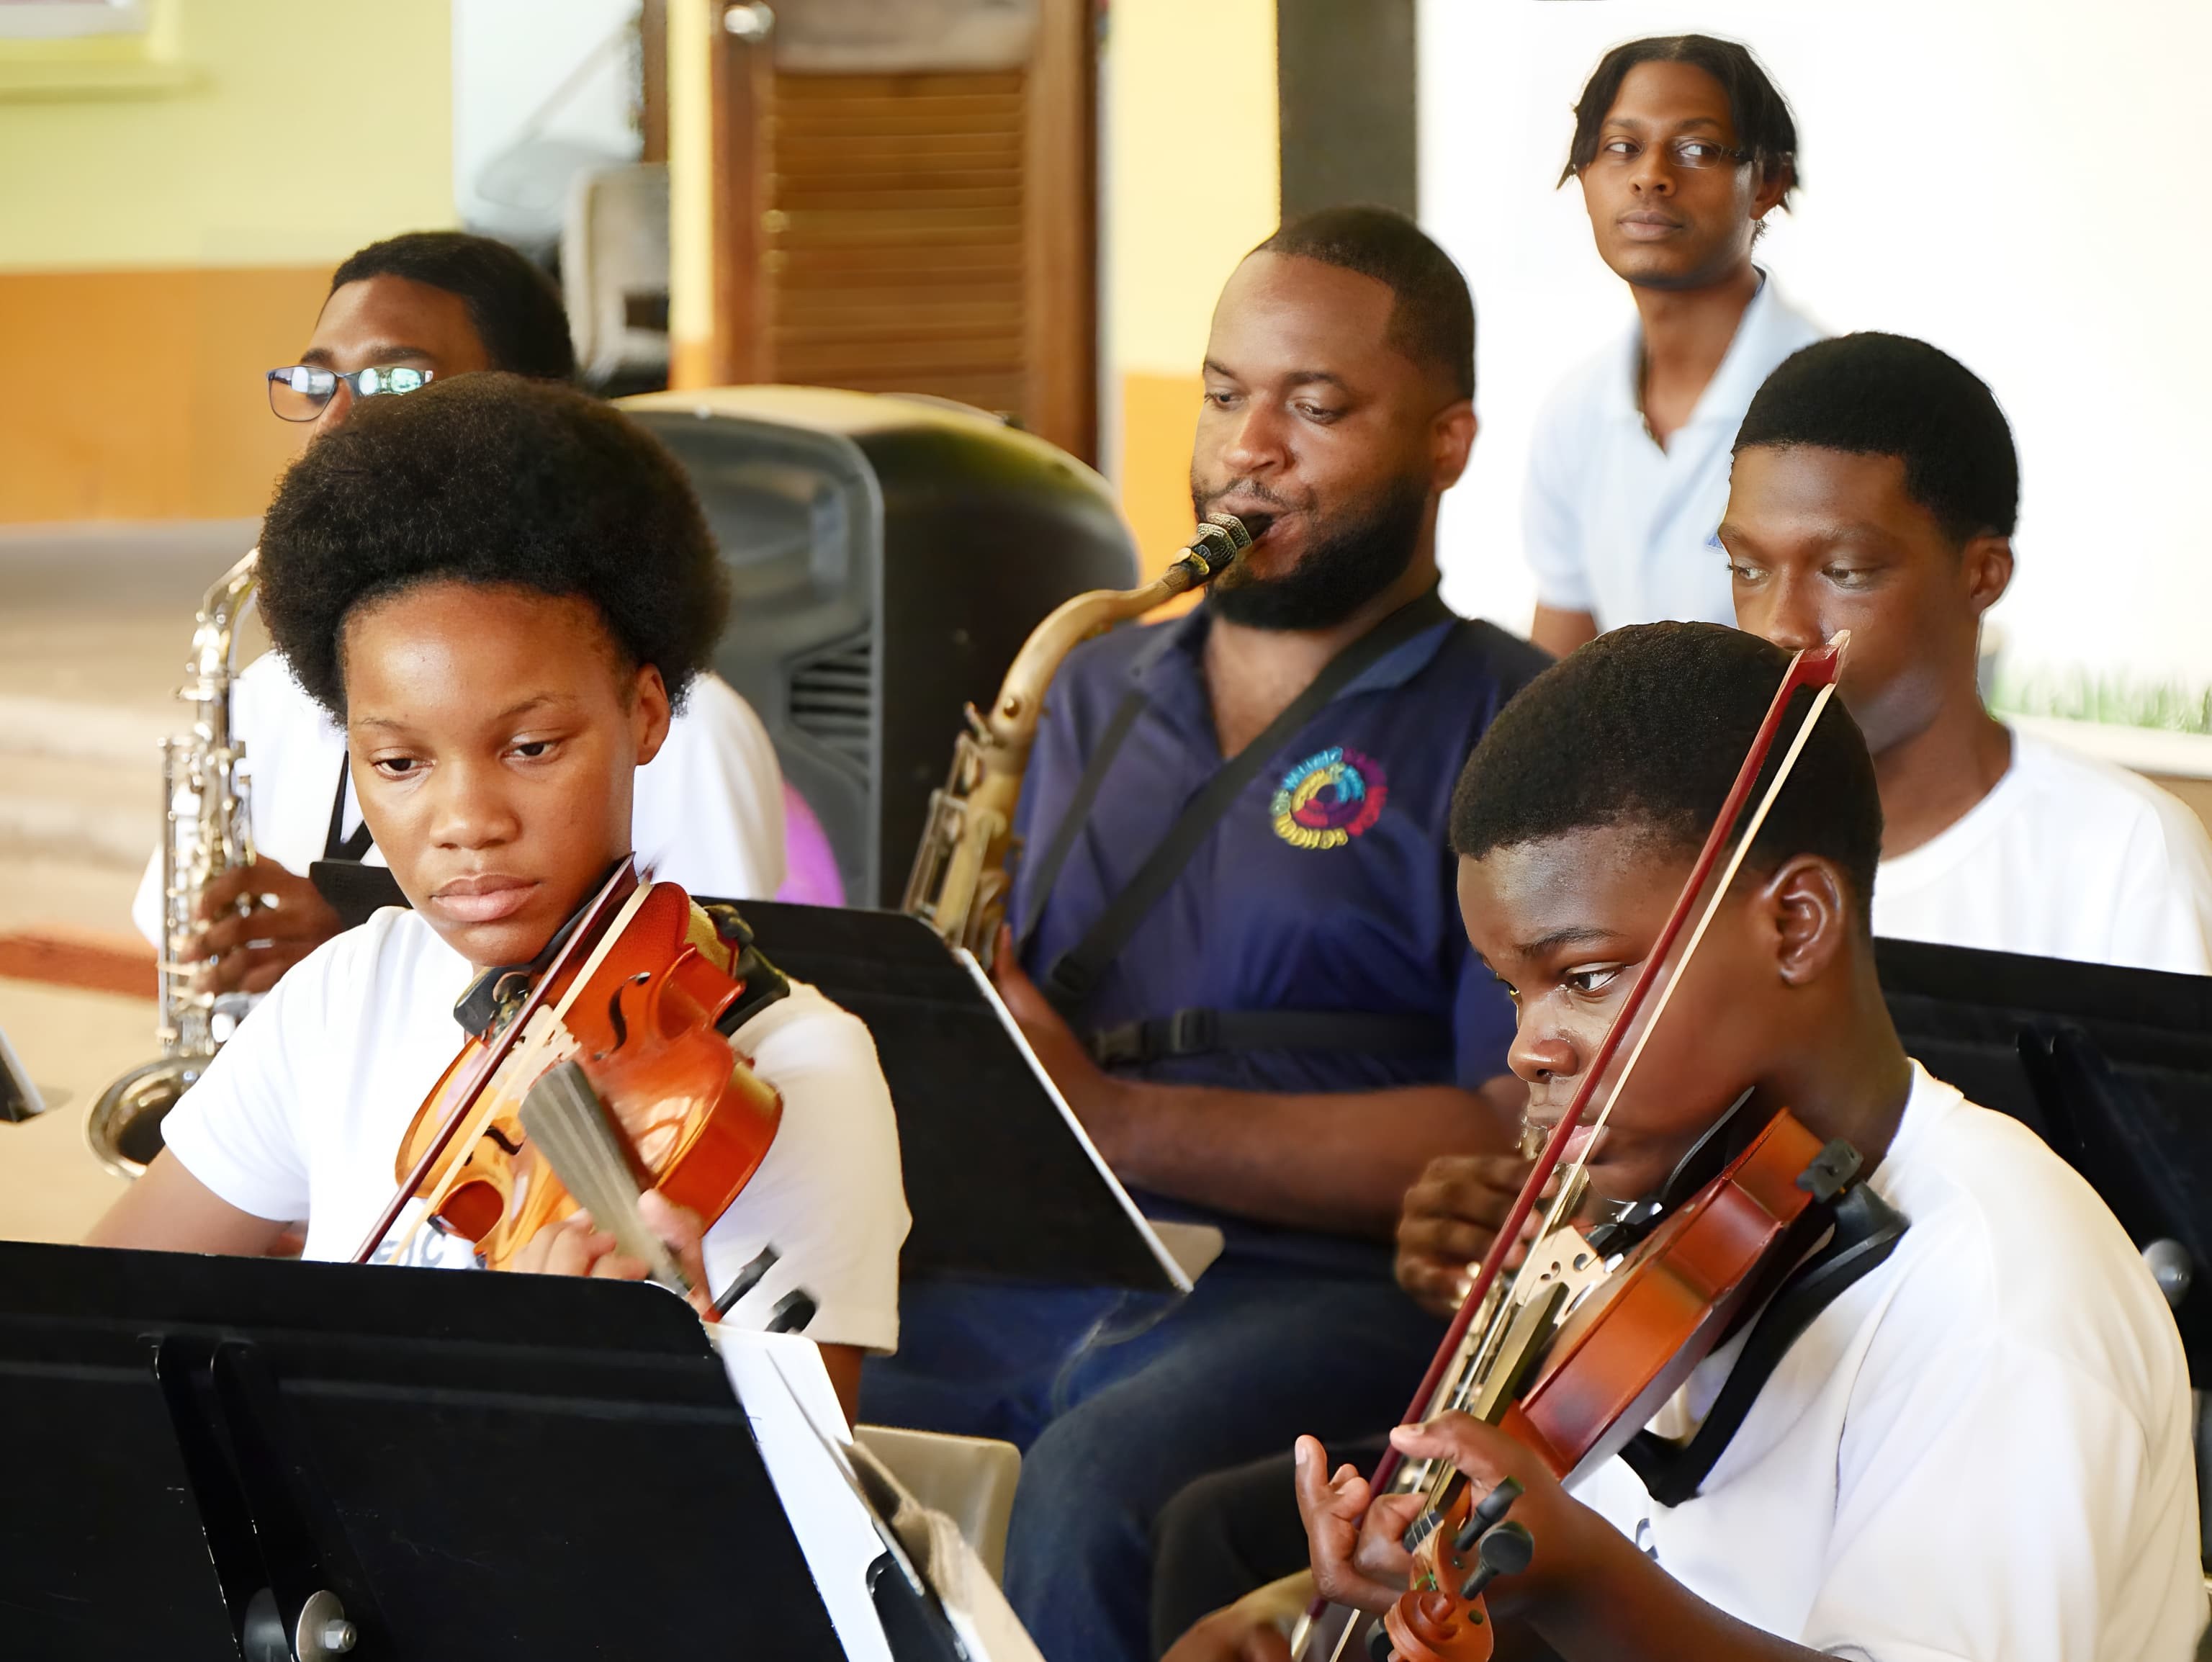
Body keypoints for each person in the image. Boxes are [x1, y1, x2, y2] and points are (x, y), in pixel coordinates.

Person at [1165, 623, 2204, 1662]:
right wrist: (1360, 1615)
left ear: (1796, 924)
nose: (1529, 1049)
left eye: (1584, 978)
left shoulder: (2004, 1297)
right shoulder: (1685, 1214)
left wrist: (1583, 1586)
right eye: (1514, 992)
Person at [858, 207, 1549, 1662]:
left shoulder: (1516, 720)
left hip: (1331, 1285)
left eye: (1316, 407)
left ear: (1448, 443)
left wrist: (1116, 1117)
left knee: (1092, 1483)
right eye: (1226, 394)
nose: (1250, 448)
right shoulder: (1085, 683)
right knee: (792, 1401)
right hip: (1052, 1260)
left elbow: (1502, 1129)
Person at [89, 376, 907, 1423]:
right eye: (399, 763)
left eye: (531, 747)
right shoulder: (348, 992)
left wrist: (565, 1382)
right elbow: (95, 1344)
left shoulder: (784, 1077)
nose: (466, 821)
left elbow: (787, 1512)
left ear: (645, 713)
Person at [131, 230, 786, 990]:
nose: (335, 422)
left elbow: (711, 1001)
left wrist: (356, 949)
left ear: (533, 405)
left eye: (395, 380)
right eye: (319, 383)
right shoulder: (272, 696)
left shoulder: (693, 730)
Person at [1722, 331, 2212, 973]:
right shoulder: (1700, 844)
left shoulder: (2124, 856)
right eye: (1748, 569)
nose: (1779, 627)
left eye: (1844, 572)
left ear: (1981, 575)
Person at [1524, 34, 1821, 656]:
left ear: (1767, 182)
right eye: (1622, 148)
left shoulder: (1836, 405)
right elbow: (1554, 679)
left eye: (1696, 149)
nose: (1651, 177)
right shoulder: (1574, 415)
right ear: (1585, 175)